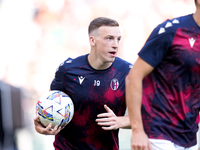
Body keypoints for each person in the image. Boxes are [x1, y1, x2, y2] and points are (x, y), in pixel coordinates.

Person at [34, 17, 132, 150]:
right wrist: (42, 126)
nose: (115, 44)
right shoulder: (68, 70)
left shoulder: (127, 73)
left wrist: (120, 121)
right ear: (92, 40)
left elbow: (147, 116)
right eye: (109, 38)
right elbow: (50, 108)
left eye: (118, 39)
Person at [126, 0, 200, 150]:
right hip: (157, 132)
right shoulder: (172, 30)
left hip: (189, 137)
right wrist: (137, 130)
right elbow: (133, 77)